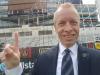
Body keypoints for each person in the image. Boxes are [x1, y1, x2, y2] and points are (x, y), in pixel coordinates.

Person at [0, 2, 100, 75]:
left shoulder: (97, 58)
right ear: (55, 27)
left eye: (73, 22)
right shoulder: (42, 60)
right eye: (62, 23)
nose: (68, 28)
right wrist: (14, 68)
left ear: (79, 25)